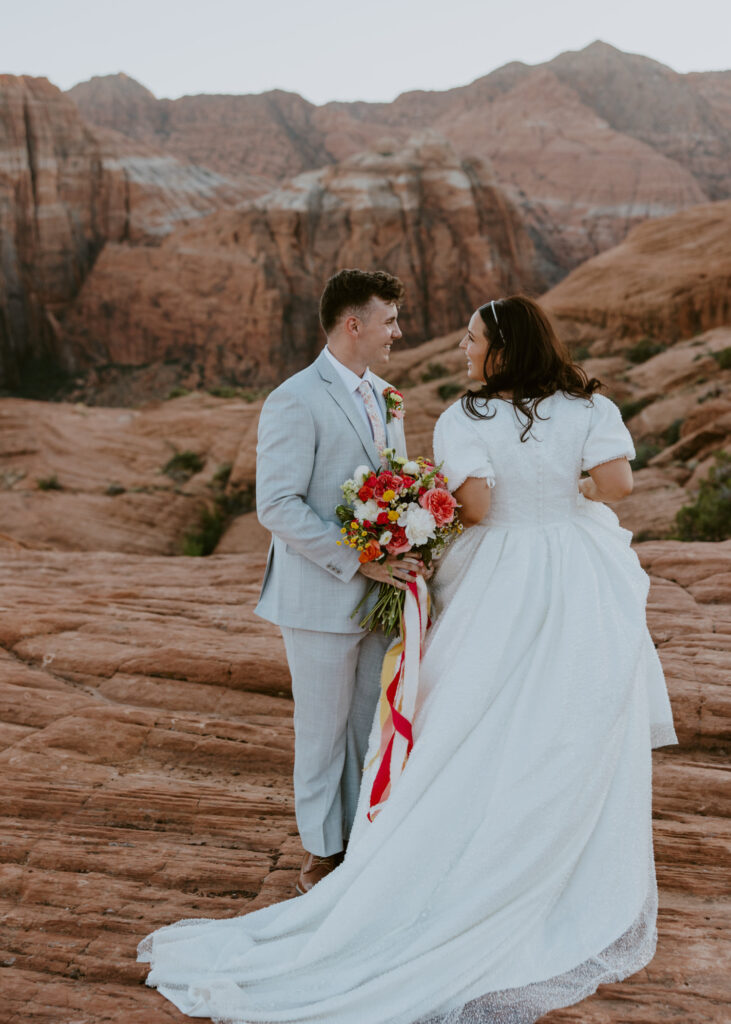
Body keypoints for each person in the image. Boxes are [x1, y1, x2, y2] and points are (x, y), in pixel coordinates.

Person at [138, 294, 676, 1024]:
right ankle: (562, 865)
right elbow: (618, 487)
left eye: (471, 338)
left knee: (466, 718)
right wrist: (561, 494)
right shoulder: (590, 408)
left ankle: (424, 860)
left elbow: (478, 506)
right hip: (577, 570)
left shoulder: (467, 416)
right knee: (570, 720)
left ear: (501, 350)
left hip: (501, 578)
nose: (460, 347)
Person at [253, 268, 417, 895]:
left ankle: (359, 840)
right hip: (320, 592)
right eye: (390, 320)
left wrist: (408, 540)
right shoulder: (294, 398)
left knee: (365, 727)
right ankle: (322, 854)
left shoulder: (387, 395)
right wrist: (358, 559)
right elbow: (279, 505)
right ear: (355, 324)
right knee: (320, 734)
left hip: (378, 596)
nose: (397, 332)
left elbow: (395, 483)